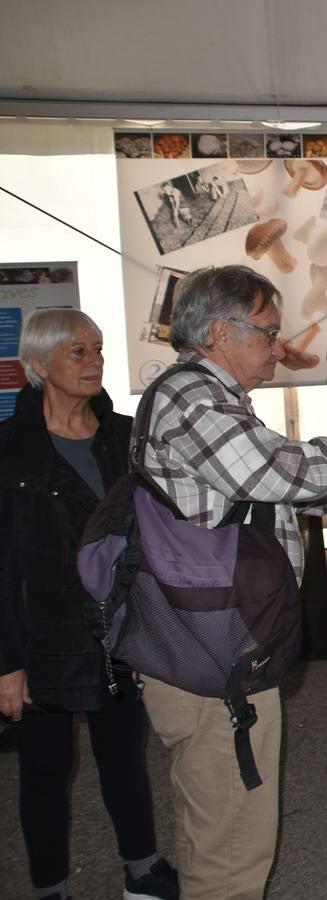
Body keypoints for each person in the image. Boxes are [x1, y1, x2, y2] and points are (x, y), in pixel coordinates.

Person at [136, 264, 327, 899]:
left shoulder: (212, 398)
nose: (279, 348)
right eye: (268, 333)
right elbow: (284, 475)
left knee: (213, 834)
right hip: (210, 654)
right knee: (235, 849)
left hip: (210, 644)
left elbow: (285, 493)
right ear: (220, 332)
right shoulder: (192, 399)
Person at [0, 309, 179, 900]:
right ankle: (49, 887)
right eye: (77, 351)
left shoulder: (127, 438)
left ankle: (142, 870)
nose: (94, 360)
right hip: (41, 636)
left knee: (123, 755)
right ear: (38, 365)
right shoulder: (7, 451)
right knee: (46, 770)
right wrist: (6, 663)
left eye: (97, 349)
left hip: (120, 625)